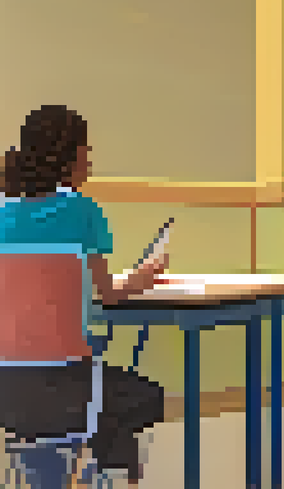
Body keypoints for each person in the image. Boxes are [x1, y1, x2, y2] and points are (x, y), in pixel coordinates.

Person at [0, 105, 168, 485]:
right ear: (69, 156)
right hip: (67, 383)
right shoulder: (82, 211)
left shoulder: (2, 211)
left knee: (97, 405)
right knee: (145, 398)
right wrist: (143, 277)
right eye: (86, 150)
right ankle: (101, 472)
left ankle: (73, 469)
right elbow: (107, 295)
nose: (89, 160)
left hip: (6, 386)